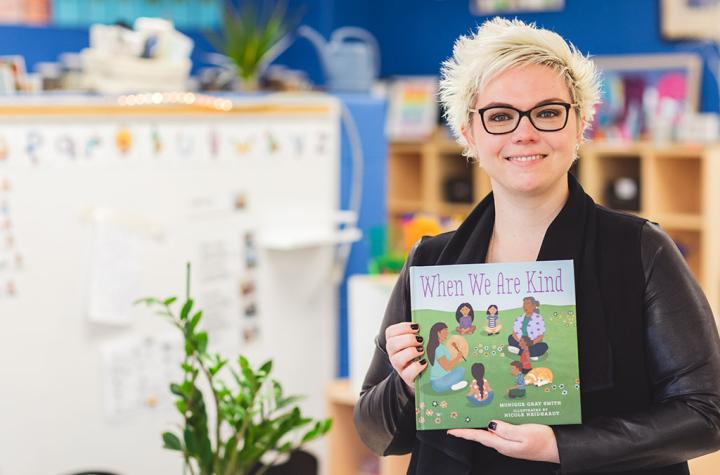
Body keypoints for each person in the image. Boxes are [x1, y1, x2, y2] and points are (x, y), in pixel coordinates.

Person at [353, 17, 720, 475]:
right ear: (469, 132)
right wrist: (403, 386)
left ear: (580, 123)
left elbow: (706, 414)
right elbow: (374, 432)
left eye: (547, 112)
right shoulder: (431, 262)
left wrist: (564, 446)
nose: (524, 133)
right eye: (500, 116)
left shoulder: (641, 250)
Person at [427, 322, 468, 392]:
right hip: (439, 383)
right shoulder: (438, 348)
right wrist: (458, 357)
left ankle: (452, 384)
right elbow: (447, 367)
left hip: (440, 380)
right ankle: (452, 385)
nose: (447, 333)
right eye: (445, 331)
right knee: (461, 370)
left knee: (460, 370)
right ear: (438, 333)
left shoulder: (439, 347)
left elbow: (446, 362)